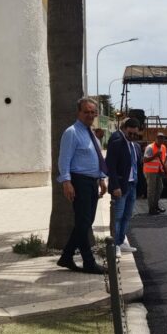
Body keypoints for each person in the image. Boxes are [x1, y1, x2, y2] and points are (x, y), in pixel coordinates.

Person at [56, 98, 108, 274]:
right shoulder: (71, 132)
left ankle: (67, 256)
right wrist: (66, 182)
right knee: (84, 222)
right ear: (78, 113)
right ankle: (88, 262)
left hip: (92, 181)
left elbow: (96, 158)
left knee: (85, 222)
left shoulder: (90, 133)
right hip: (79, 181)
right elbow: (64, 159)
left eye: (93, 112)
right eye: (86, 112)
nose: (90, 115)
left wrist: (101, 178)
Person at [106, 117, 140, 258]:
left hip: (132, 185)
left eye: (135, 134)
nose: (132, 136)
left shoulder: (134, 145)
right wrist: (115, 185)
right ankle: (114, 246)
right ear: (124, 129)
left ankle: (120, 241)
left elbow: (137, 166)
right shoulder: (117, 140)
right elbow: (110, 165)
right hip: (120, 186)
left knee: (126, 216)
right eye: (130, 133)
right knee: (117, 217)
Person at [143, 132, 167, 215]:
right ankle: (151, 209)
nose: (160, 139)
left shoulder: (163, 147)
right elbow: (144, 160)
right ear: (156, 139)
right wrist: (155, 155)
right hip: (150, 171)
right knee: (151, 190)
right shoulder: (150, 147)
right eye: (159, 138)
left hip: (159, 171)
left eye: (162, 138)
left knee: (159, 188)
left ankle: (156, 206)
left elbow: (165, 161)